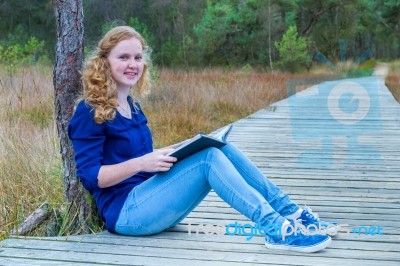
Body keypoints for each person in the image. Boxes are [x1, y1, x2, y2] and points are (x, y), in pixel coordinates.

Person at [68, 25, 333, 253]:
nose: (132, 64)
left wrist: (181, 147)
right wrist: (142, 163)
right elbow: (91, 176)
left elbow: (143, 157)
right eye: (123, 57)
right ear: (105, 62)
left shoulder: (132, 106)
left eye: (137, 57)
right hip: (126, 213)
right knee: (208, 159)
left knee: (218, 146)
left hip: (151, 200)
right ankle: (275, 229)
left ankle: (293, 214)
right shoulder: (89, 111)